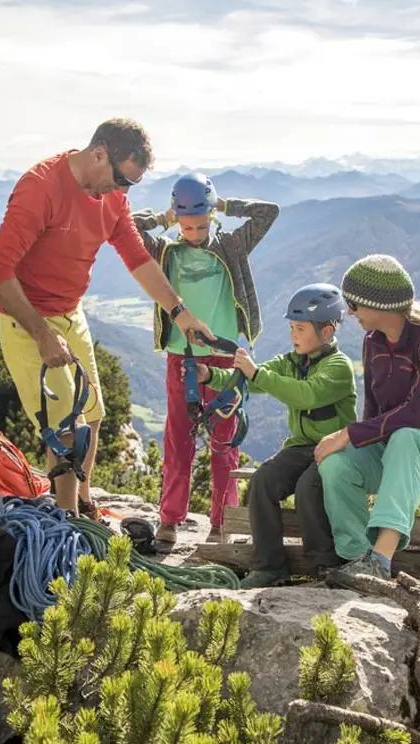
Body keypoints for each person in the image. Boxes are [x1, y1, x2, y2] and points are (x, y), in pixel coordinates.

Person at [0, 118, 213, 520]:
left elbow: (138, 259)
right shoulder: (41, 187)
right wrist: (42, 335)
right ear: (99, 152)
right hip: (27, 319)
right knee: (66, 427)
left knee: (93, 414)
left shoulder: (113, 199)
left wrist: (179, 312)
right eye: (121, 179)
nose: (123, 191)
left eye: (131, 185)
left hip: (71, 312)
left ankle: (83, 503)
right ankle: (67, 523)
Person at [132, 173, 280, 545]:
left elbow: (268, 213)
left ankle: (221, 524)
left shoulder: (232, 246)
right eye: (187, 226)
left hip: (224, 359)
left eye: (201, 225)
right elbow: (126, 228)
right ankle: (170, 519)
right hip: (181, 358)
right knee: (178, 440)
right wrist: (163, 219)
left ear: (213, 217)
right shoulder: (166, 249)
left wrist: (226, 205)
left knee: (224, 444)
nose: (195, 234)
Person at [314, 254, 420, 581]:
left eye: (355, 304)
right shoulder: (372, 341)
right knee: (336, 463)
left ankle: (379, 563)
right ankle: (357, 559)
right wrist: (350, 445)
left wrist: (348, 433)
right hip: (392, 453)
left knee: (405, 437)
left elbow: (419, 414)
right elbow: (373, 410)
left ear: (379, 305)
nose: (350, 312)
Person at [199, 283, 357, 587]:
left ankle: (326, 566)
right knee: (263, 481)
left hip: (335, 449)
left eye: (300, 328)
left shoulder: (339, 367)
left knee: (308, 486)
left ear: (326, 333)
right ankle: (270, 567)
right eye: (292, 328)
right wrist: (210, 376)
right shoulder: (291, 362)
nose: (293, 335)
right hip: (302, 448)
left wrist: (256, 373)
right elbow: (250, 381)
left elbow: (307, 395)